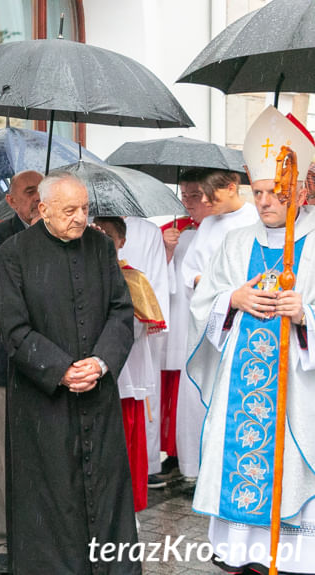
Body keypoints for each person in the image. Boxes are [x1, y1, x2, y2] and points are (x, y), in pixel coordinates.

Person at [186, 105, 315, 574]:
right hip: (240, 388)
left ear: (298, 190)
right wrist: (232, 299)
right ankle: (244, 551)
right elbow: (205, 304)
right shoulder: (236, 243)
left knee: (291, 476)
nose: (263, 202)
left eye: (273, 193)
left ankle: (295, 555)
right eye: (257, 192)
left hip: (298, 391)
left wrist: (306, 314)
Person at [0, 171, 136, 574]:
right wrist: (60, 369)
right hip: (43, 401)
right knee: (49, 496)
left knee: (105, 490)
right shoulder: (14, 254)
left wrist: (100, 362)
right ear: (43, 210)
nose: (80, 218)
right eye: (69, 210)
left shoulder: (101, 247)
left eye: (85, 209)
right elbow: (14, 328)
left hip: (97, 390)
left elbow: (120, 312)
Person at [0, 169, 42, 575]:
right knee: (6, 457)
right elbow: (8, 286)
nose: (38, 198)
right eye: (29, 192)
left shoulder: (70, 234)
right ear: (12, 202)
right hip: (14, 362)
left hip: (57, 367)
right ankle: (1, 540)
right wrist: (36, 236)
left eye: (43, 190)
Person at [94, 216, 165, 514]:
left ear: (122, 241)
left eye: (108, 235)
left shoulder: (134, 279)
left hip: (126, 377)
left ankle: (125, 508)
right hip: (92, 378)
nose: (103, 241)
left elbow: (135, 328)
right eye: (96, 234)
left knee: (124, 446)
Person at [160, 171, 215, 480]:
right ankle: (176, 452)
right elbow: (158, 277)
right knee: (175, 392)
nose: (189, 202)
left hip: (205, 321)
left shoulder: (224, 230)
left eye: (195, 195)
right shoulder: (174, 231)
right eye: (185, 195)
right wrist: (166, 250)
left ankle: (200, 459)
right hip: (177, 318)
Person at [117, 216, 169, 488]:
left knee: (143, 400)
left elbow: (157, 280)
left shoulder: (147, 230)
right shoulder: (86, 221)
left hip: (141, 330)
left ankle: (146, 465)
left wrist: (153, 324)